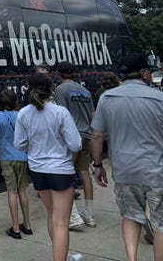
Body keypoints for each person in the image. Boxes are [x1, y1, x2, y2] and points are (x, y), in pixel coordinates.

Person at [90, 53, 163, 261]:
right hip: (158, 171)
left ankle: (131, 259)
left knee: (131, 216)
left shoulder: (107, 98)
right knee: (162, 224)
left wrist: (97, 165)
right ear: (144, 73)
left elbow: (97, 135)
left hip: (125, 171)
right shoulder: (162, 99)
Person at [14, 72, 82, 261]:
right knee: (62, 222)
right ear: (51, 89)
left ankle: (63, 255)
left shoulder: (23, 113)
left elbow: (19, 144)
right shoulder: (60, 112)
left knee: (52, 215)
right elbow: (76, 144)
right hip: (60, 169)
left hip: (37, 170)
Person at [53, 61, 96, 229]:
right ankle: (89, 214)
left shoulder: (60, 90)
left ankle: (73, 216)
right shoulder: (84, 91)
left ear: (58, 74)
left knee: (66, 176)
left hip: (71, 137)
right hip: (86, 135)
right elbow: (93, 115)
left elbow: (62, 115)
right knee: (85, 173)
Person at [0, 88, 32, 239]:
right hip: (22, 157)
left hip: (7, 159)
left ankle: (15, 228)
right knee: (22, 191)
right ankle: (27, 225)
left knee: (12, 192)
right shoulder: (21, 115)